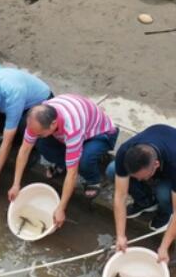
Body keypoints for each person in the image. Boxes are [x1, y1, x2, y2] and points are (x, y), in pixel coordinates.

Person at [8, 95, 120, 226]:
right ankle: (63, 163)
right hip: (72, 130)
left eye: (39, 133)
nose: (35, 135)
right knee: (42, 145)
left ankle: (93, 180)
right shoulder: (36, 119)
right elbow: (25, 149)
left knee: (83, 161)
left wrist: (61, 208)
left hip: (100, 134)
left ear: (53, 124)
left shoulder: (72, 127)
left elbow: (73, 173)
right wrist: (16, 184)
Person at [107, 124, 176, 263]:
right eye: (135, 176)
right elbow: (120, 196)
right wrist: (120, 236)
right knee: (112, 170)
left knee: (163, 192)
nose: (138, 180)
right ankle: (146, 202)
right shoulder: (125, 151)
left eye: (142, 177)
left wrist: (163, 248)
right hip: (160, 147)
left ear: (156, 165)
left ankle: (164, 213)